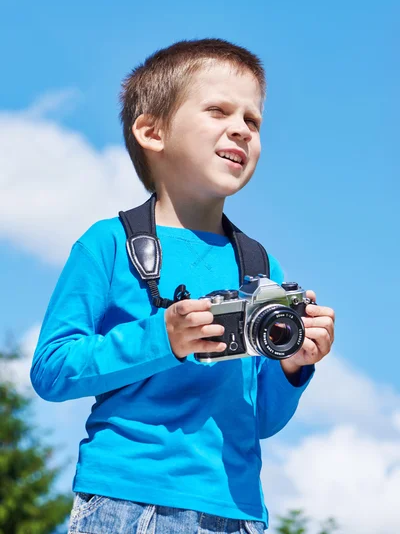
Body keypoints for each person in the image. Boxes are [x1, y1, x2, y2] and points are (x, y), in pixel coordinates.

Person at [31, 39, 335, 534]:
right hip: (128, 501)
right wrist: (163, 338)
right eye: (218, 110)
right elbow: (51, 369)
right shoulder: (108, 244)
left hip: (238, 512)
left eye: (253, 121)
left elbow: (259, 420)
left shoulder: (260, 265)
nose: (240, 128)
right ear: (152, 132)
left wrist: (292, 368)